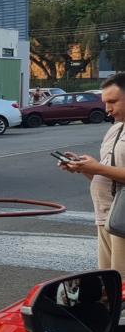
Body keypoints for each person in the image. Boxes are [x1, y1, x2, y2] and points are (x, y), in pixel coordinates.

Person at [59, 73, 125, 273]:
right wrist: (84, 168)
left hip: (123, 220)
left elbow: (103, 170)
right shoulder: (115, 129)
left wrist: (96, 168)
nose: (107, 109)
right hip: (107, 218)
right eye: (105, 102)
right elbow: (107, 175)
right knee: (109, 283)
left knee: (122, 286)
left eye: (113, 101)